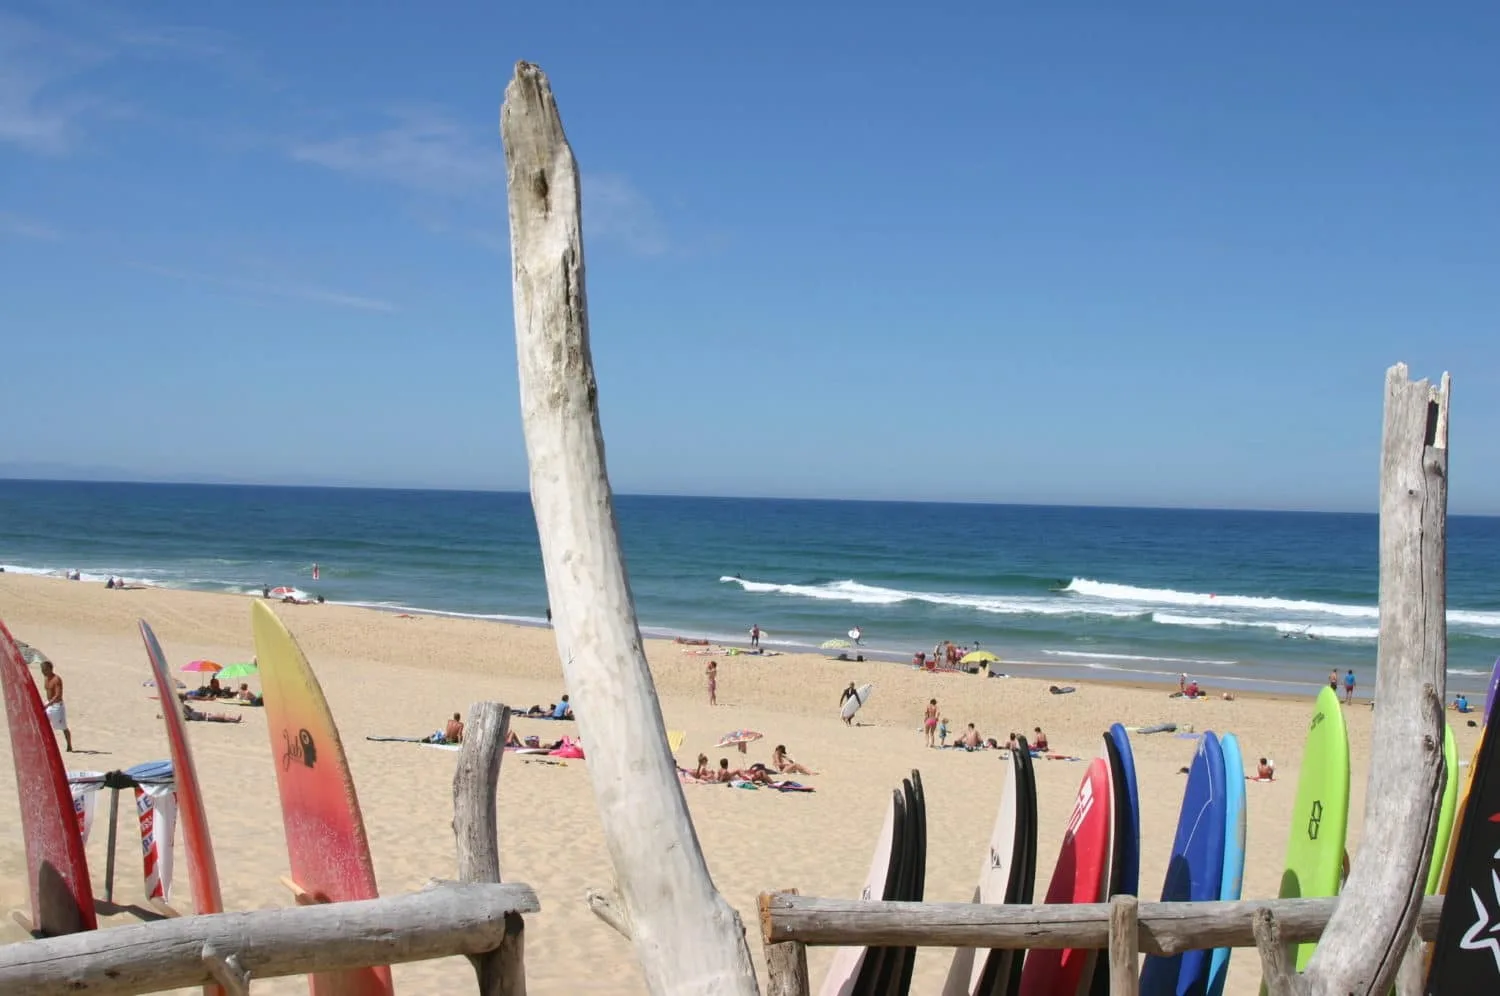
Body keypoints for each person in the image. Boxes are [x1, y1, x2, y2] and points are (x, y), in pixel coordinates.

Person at [40, 661, 71, 752]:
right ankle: (46, 744)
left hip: (57, 706)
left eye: (45, 670)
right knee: (42, 721)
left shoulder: (57, 679)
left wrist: (48, 704)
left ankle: (69, 745)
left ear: (50, 669)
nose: (43, 672)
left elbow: (58, 695)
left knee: (63, 727)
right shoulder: (46, 678)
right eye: (42, 670)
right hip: (49, 704)